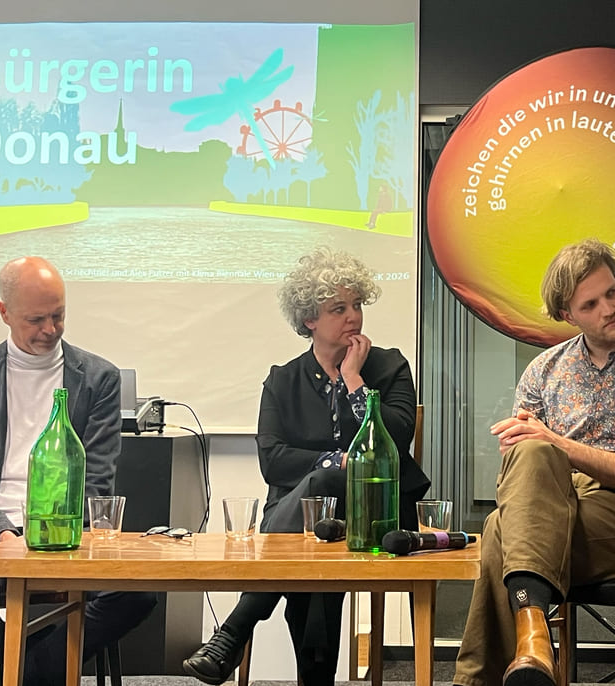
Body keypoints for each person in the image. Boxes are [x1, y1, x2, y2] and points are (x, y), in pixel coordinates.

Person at [452, 238, 615, 686]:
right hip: (554, 508)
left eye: (613, 292)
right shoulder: (544, 371)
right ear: (569, 316)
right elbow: (517, 475)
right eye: (591, 304)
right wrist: (543, 448)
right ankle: (532, 641)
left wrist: (560, 446)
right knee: (526, 463)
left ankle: (490, 668)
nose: (610, 308)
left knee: (500, 529)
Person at [183, 247, 430, 685]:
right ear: (309, 319)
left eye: (357, 305)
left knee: (326, 494)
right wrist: (333, 462)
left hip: (377, 515)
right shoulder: (283, 378)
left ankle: (234, 631)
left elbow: (394, 441)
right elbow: (271, 461)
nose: (353, 317)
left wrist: (355, 381)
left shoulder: (389, 367)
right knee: (320, 516)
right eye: (339, 308)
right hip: (299, 519)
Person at [0, 257, 156, 685]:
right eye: (36, 319)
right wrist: (4, 534)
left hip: (69, 528)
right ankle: (36, 670)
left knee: (137, 592)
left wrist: (49, 533)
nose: (50, 329)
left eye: (59, 315)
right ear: (3, 313)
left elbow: (97, 477)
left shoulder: (98, 379)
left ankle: (21, 675)